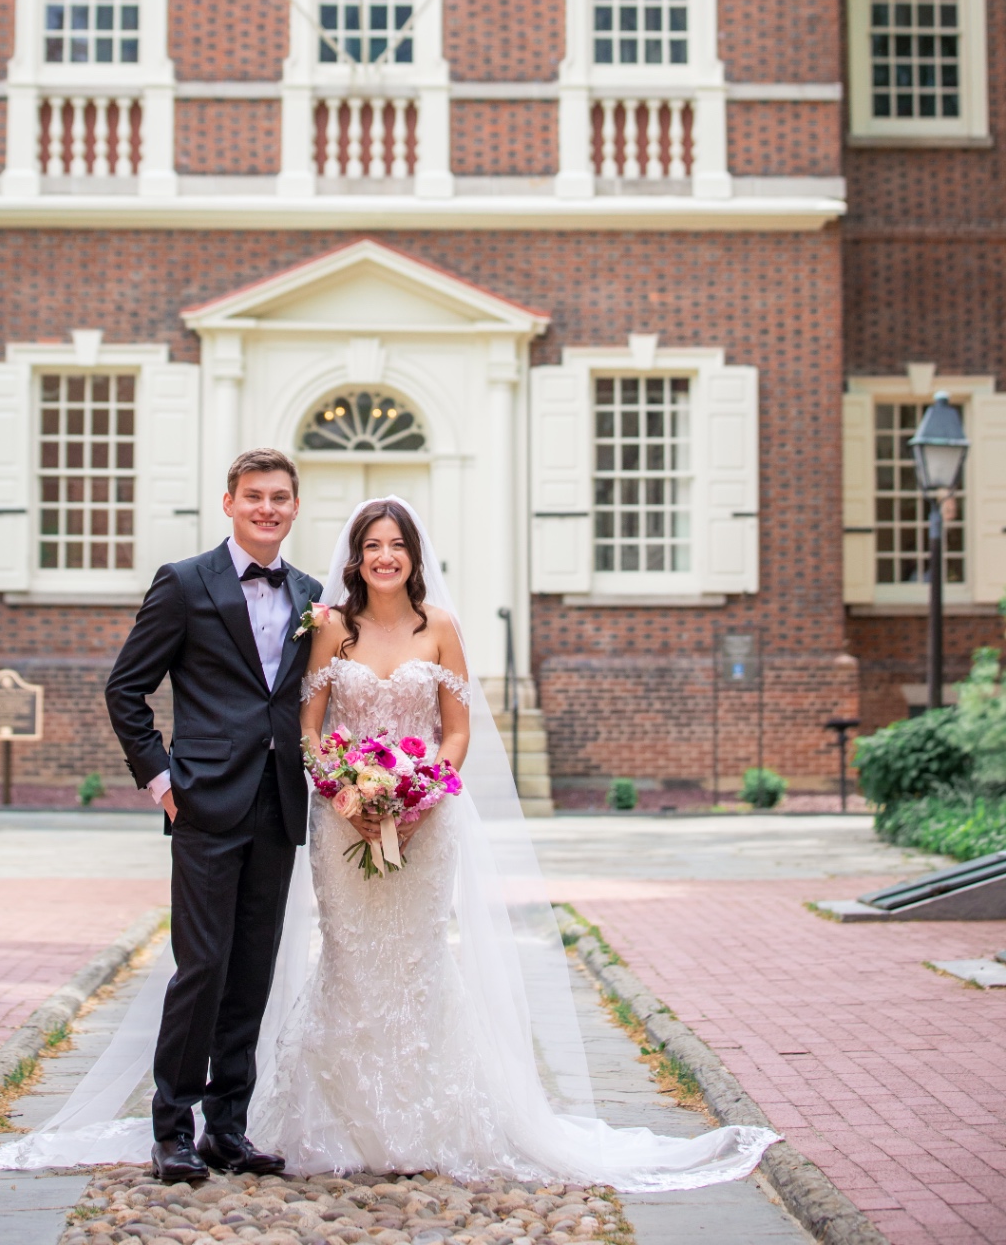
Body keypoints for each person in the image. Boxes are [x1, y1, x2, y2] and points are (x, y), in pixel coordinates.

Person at [247, 497, 779, 1188]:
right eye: (372, 545)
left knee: (416, 962)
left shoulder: (440, 627)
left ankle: (423, 1122)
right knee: (349, 958)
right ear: (355, 557)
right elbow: (309, 726)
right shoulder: (330, 628)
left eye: (396, 545)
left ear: (413, 555)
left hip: (423, 820)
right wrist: (342, 792)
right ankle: (344, 1120)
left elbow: (458, 727)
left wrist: (421, 792)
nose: (384, 556)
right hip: (341, 818)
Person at [103, 448, 322, 1186]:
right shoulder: (184, 583)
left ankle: (229, 1127)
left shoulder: (312, 594)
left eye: (280, 497)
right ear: (228, 502)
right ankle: (172, 1130)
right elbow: (125, 690)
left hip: (277, 802)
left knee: (252, 971)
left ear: (294, 507)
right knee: (201, 967)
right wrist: (162, 779)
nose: (268, 508)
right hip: (203, 801)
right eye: (254, 496)